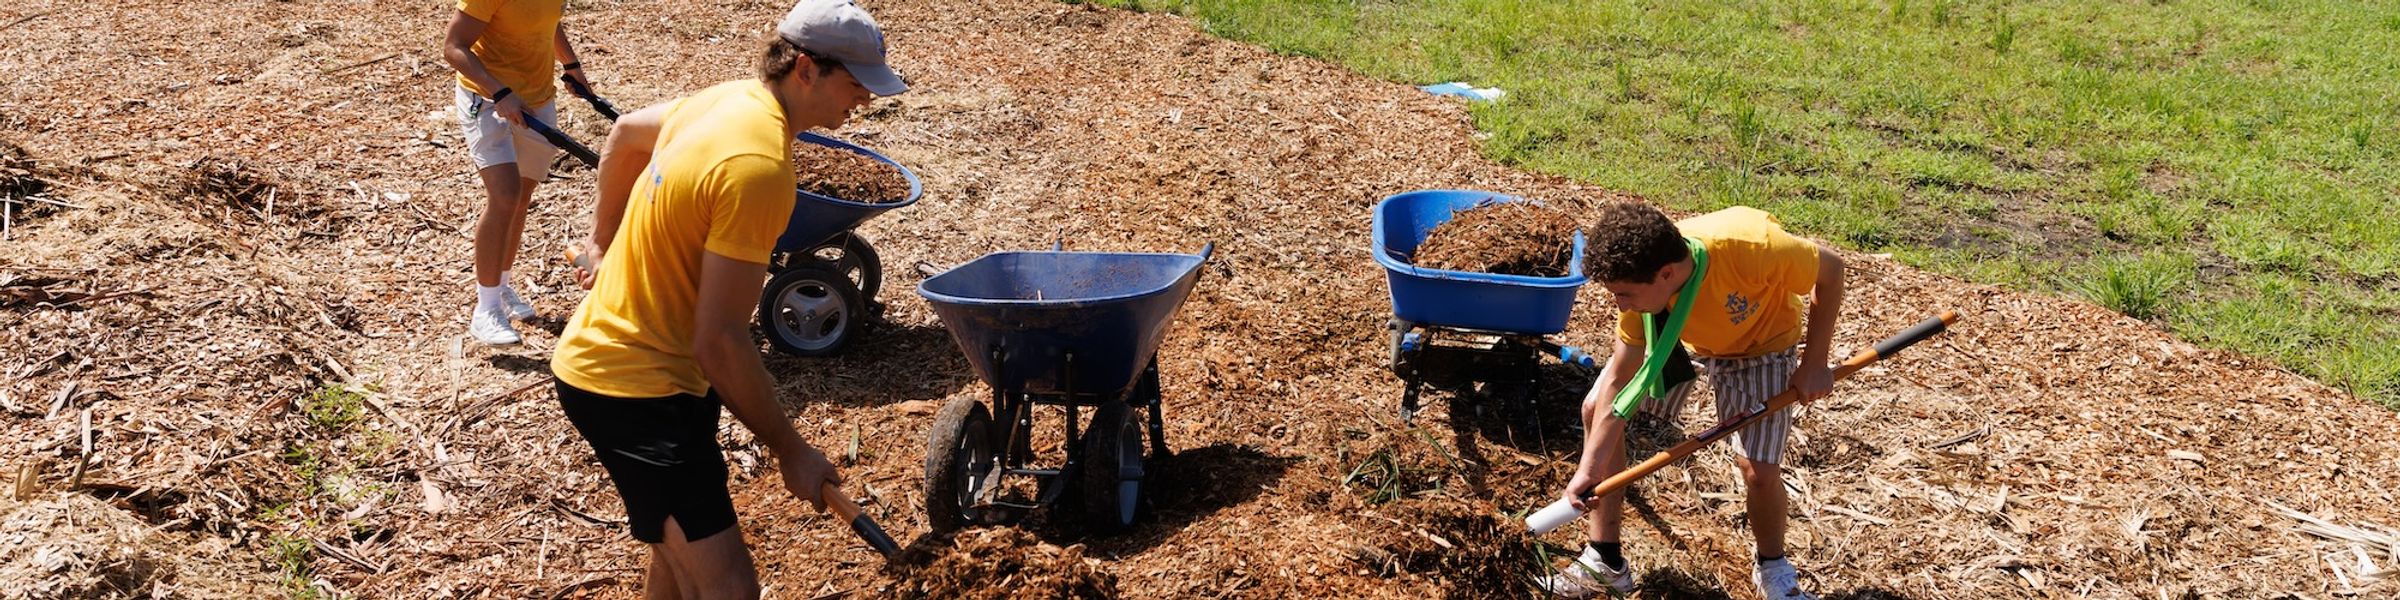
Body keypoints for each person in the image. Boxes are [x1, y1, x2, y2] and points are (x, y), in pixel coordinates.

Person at [547, 0, 906, 596]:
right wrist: (793, 452)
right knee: (730, 588)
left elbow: (625, 134)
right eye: (856, 82)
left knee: (677, 564)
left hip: (640, 371)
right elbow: (718, 339)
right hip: (633, 389)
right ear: (806, 69)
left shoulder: (731, 99)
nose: (865, 99)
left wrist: (599, 241)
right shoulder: (758, 167)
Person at [1541, 202, 1846, 600]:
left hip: (1762, 344)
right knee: (1595, 408)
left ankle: (1772, 566)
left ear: (1666, 274)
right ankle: (1605, 560)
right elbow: (1619, 379)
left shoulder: (1752, 247)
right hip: (1683, 337)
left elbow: (1833, 270)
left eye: (1624, 294)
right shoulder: (1645, 292)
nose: (1620, 304)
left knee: (1758, 471)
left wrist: (1815, 363)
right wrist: (1589, 470)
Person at [441, 0, 594, 345]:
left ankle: (502, 285)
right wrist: (500, 92)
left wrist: (570, 65)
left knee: (521, 197)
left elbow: (546, 22)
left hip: (537, 98)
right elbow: (454, 47)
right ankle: (486, 310)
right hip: (487, 98)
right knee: (505, 195)